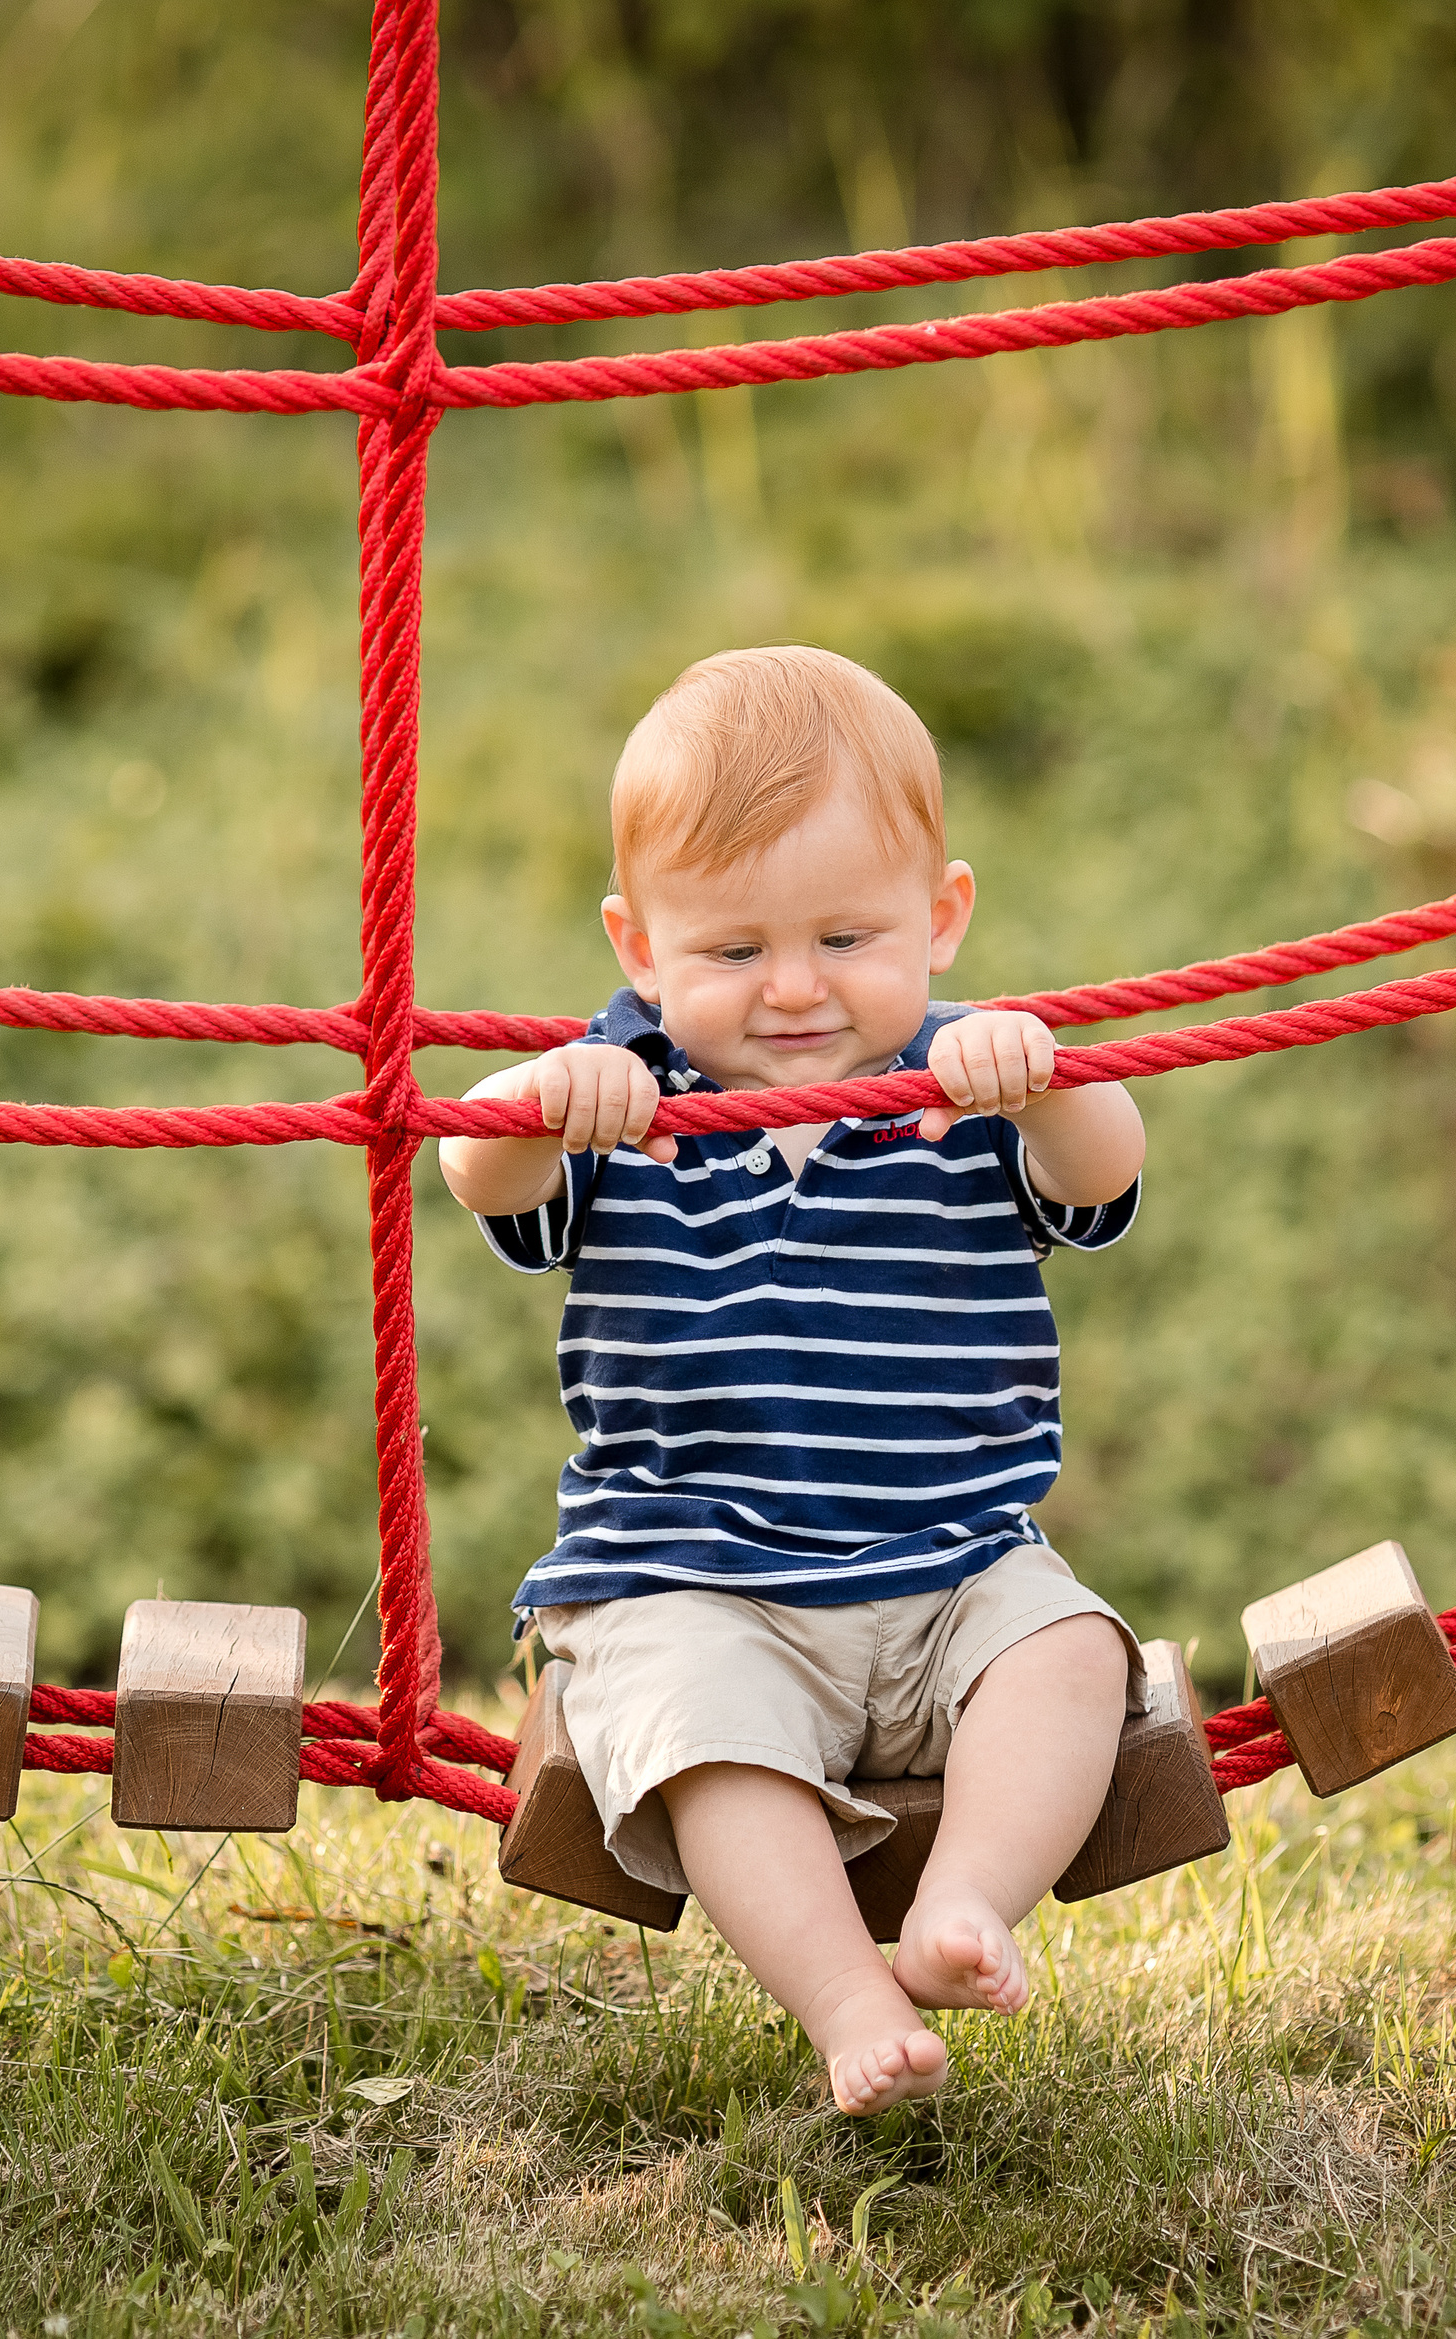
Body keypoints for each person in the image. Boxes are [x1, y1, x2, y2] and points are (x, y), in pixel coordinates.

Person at [437, 645, 1146, 2115]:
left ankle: (962, 1909)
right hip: (698, 1582)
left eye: (846, 936)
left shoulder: (964, 1085)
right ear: (640, 949)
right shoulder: (624, 1100)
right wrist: (538, 1104)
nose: (798, 990)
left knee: (1072, 1655)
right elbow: (473, 1170)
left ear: (942, 917)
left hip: (957, 1564)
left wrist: (1056, 1077)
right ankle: (841, 2002)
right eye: (735, 952)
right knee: (703, 1745)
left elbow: (1105, 1175)